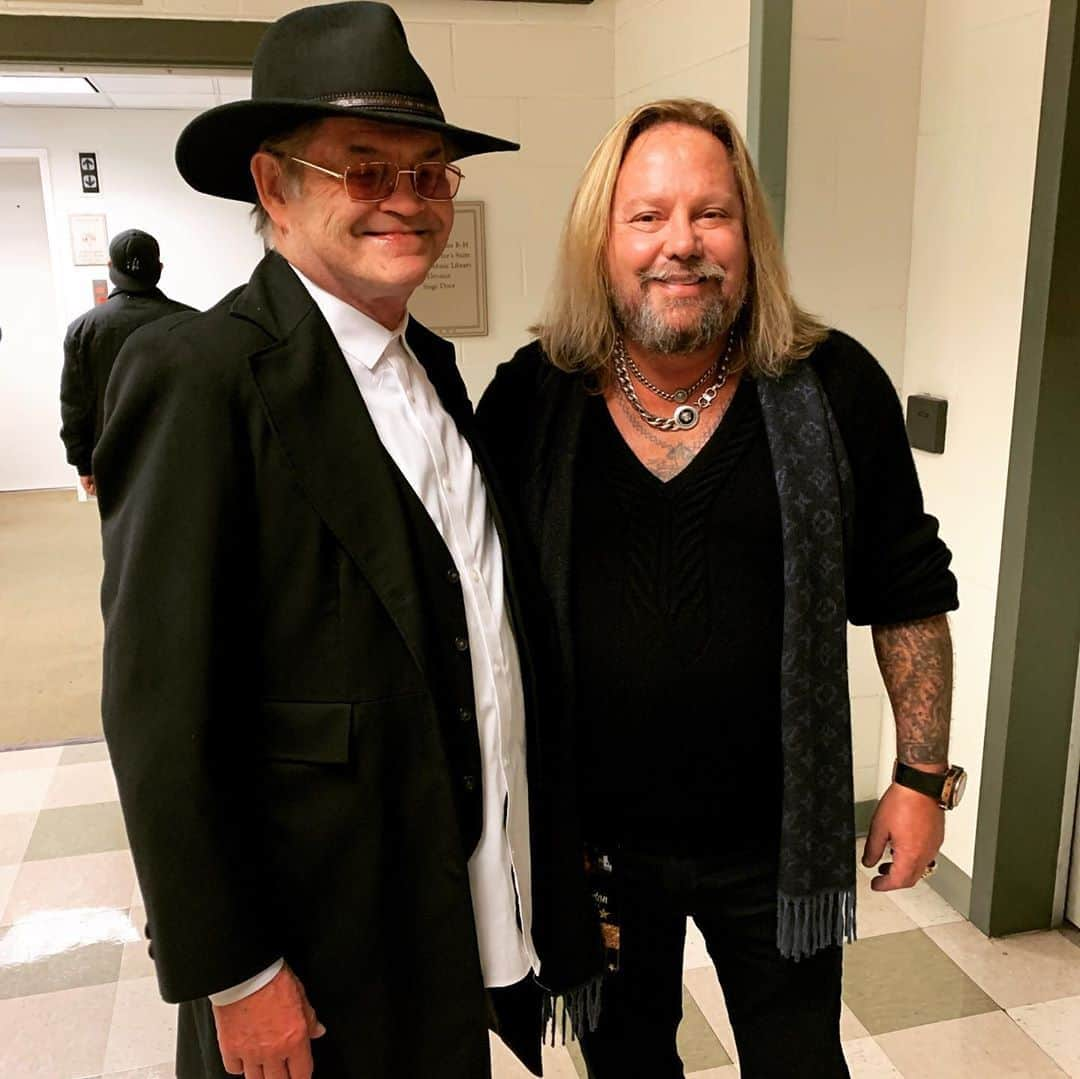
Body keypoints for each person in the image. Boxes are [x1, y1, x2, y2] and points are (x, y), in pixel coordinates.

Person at [93, 5, 600, 1078]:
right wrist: (233, 970)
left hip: (441, 900)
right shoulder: (203, 374)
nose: (406, 201)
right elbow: (157, 707)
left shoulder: (437, 371)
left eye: (429, 175)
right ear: (274, 187)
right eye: (364, 170)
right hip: (314, 941)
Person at [476, 98, 966, 1079]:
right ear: (602, 240)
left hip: (776, 841)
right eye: (648, 215)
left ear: (750, 234)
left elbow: (907, 587)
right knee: (626, 1065)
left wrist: (918, 779)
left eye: (712, 213)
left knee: (798, 1062)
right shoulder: (533, 396)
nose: (682, 244)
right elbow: (473, 611)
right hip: (594, 845)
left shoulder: (834, 387)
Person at [59, 229, 193, 495]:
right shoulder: (193, 322)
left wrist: (82, 462)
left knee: (122, 532)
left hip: (112, 453)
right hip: (178, 451)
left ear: (111, 267)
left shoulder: (83, 329)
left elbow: (75, 404)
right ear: (160, 268)